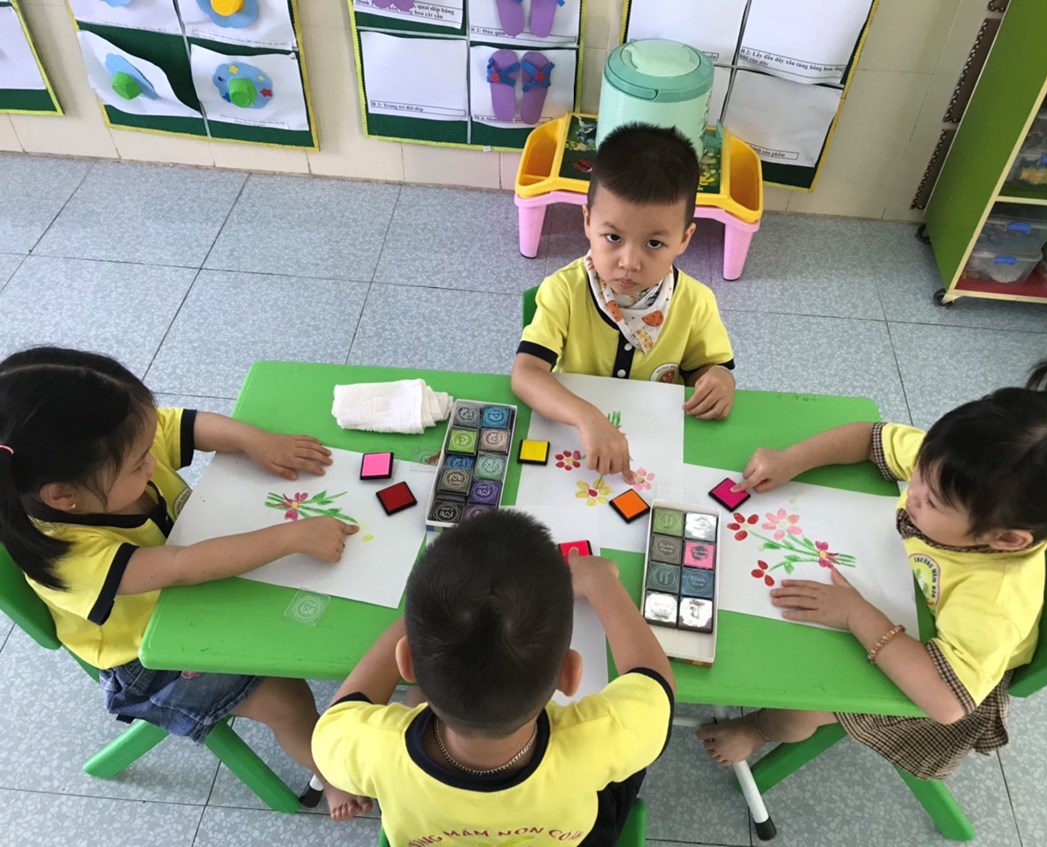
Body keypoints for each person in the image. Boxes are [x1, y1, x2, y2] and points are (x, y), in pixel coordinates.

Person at [697, 359, 1047, 780]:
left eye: (932, 501)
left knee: (801, 703)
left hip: (946, 671)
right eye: (920, 473)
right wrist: (794, 459)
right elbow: (869, 438)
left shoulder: (993, 602)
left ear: (1006, 539)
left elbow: (946, 702)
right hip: (900, 589)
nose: (914, 490)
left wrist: (855, 614)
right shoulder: (955, 470)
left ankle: (759, 729)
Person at [0, 346, 371, 820]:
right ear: (62, 496)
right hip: (151, 658)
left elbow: (184, 426)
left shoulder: (113, 449)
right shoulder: (70, 555)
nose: (152, 459)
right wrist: (289, 537)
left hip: (197, 594)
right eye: (139, 462)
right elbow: (181, 565)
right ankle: (330, 773)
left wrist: (255, 440)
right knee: (287, 698)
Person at [312, 510, 675, 846]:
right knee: (636, 756)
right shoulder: (598, 737)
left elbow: (340, 715)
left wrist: (422, 625)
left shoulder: (372, 747)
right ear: (569, 675)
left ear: (405, 663)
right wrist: (601, 583)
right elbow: (654, 682)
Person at [512, 123, 736, 480]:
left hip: (657, 444)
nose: (629, 262)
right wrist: (587, 417)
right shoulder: (563, 290)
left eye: (654, 244)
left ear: (684, 238)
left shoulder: (696, 302)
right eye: (613, 237)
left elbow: (707, 368)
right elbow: (526, 375)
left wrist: (720, 380)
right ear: (588, 221)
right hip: (573, 437)